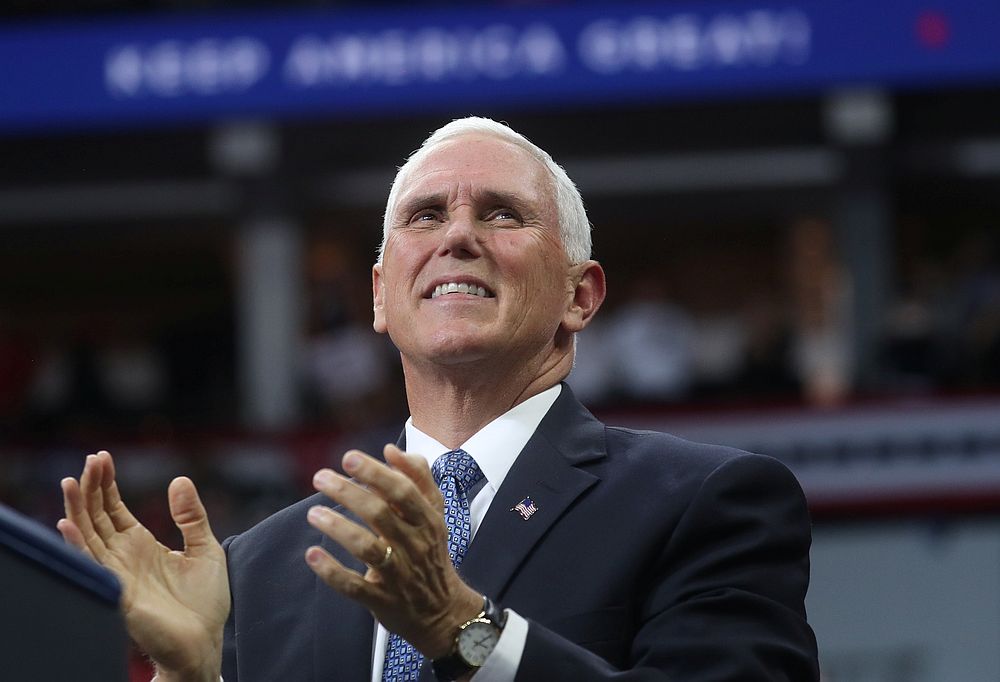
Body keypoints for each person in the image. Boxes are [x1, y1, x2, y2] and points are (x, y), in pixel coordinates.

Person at [58, 117, 819, 681]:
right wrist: (190, 678)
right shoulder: (260, 570)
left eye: (501, 213)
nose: (457, 237)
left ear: (579, 296)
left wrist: (462, 629)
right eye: (425, 215)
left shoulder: (706, 503)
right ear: (383, 296)